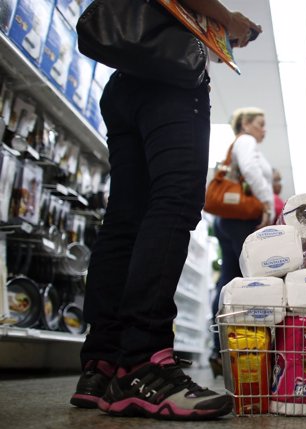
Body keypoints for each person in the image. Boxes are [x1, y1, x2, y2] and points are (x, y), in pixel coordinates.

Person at [69, 0, 261, 420]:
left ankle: (102, 363)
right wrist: (229, 21)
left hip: (125, 85)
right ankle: (142, 363)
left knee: (125, 218)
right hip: (170, 78)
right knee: (174, 203)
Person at [209, 107, 274, 375]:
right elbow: (249, 169)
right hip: (241, 220)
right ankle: (241, 346)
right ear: (245, 124)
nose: (264, 129)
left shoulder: (241, 143)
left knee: (228, 281)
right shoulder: (246, 141)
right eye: (260, 123)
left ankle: (219, 349)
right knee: (250, 280)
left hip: (227, 219)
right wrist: (268, 203)